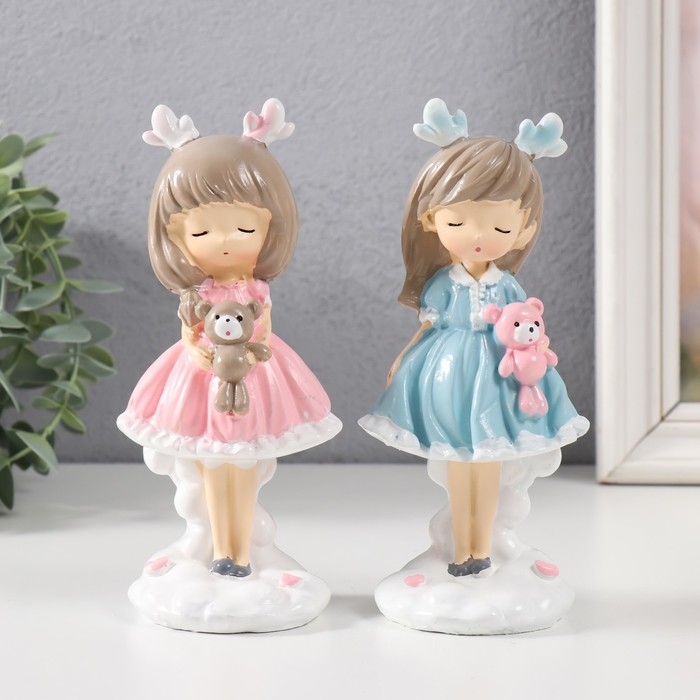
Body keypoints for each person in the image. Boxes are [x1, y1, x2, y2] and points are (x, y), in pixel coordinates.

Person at [359, 99, 588, 577]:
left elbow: (528, 326)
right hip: (449, 375)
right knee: (459, 467)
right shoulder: (444, 284)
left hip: (498, 380)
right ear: (431, 220)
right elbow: (427, 325)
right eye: (458, 222)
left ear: (523, 230)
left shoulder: (508, 285)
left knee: (488, 467)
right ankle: (461, 548)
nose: (479, 236)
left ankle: (479, 549)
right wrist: (403, 359)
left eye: (501, 225)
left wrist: (539, 352)